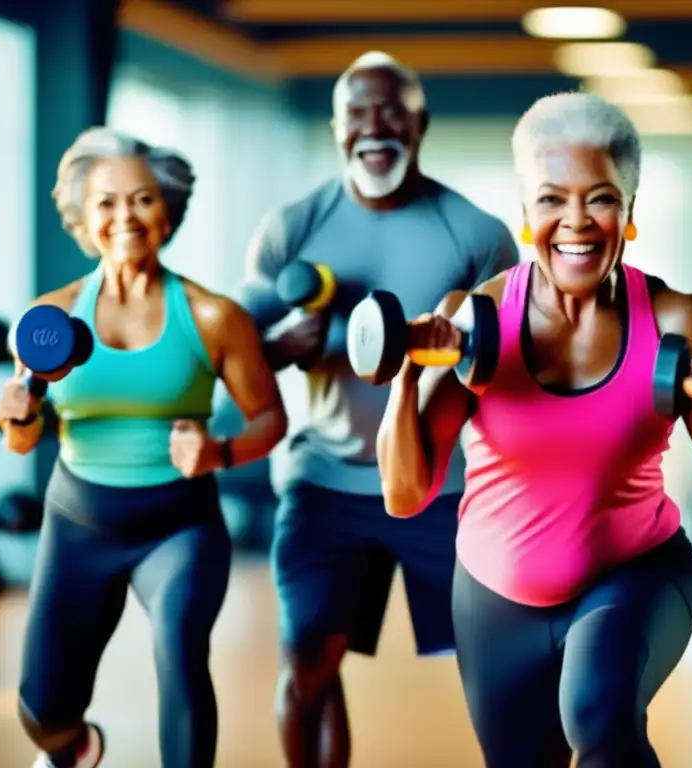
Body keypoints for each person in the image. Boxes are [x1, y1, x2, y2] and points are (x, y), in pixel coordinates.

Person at [375, 91, 692, 767]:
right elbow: (404, 494)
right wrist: (407, 374)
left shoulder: (681, 321)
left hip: (635, 577)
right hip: (494, 599)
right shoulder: (474, 320)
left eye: (599, 197)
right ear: (527, 213)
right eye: (551, 199)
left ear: (630, 211)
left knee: (598, 715)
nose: (575, 221)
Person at [238, 51, 519, 767]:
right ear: (336, 128)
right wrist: (281, 345)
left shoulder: (476, 233)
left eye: (392, 111)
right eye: (356, 114)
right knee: (307, 668)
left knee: (504, 677)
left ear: (420, 123)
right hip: (325, 482)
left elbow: (514, 361)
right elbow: (239, 353)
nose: (374, 128)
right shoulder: (293, 229)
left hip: (447, 487)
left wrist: (455, 347)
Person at [0, 127, 288, 768]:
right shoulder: (50, 316)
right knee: (42, 712)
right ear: (82, 217)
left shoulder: (214, 317)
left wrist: (219, 453)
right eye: (107, 202)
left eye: (143, 198)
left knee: (181, 651)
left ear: (169, 208)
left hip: (178, 526)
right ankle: (72, 745)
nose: (126, 216)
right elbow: (22, 438)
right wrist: (16, 416)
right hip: (79, 522)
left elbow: (269, 416)